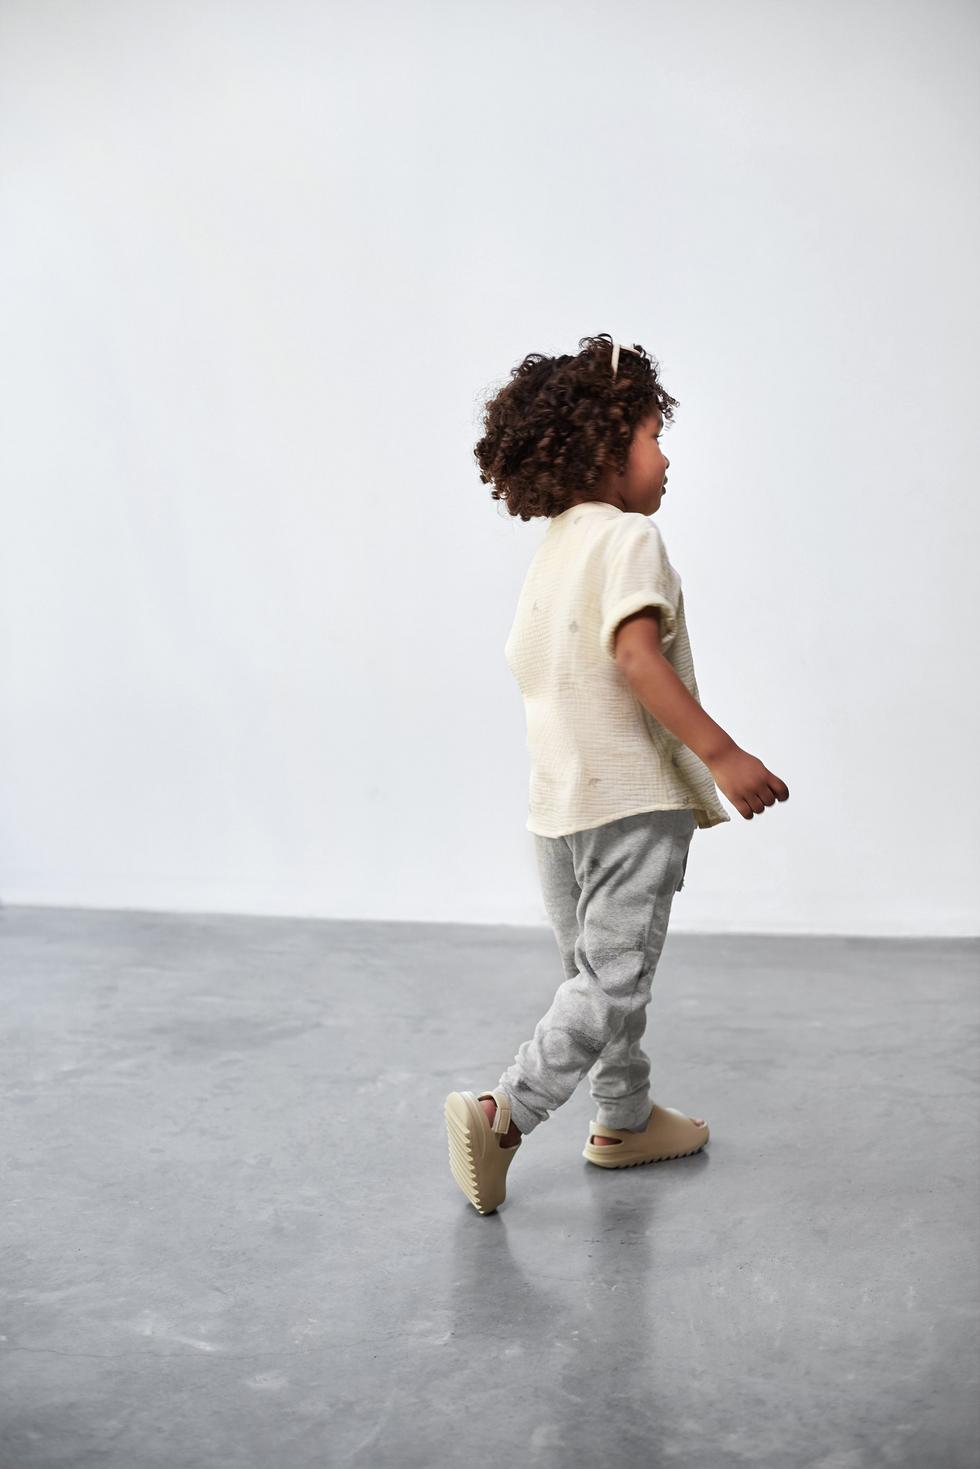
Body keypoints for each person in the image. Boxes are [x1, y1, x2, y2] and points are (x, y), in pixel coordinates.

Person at [444, 333, 789, 1215]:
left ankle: (625, 1117)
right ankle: (505, 1112)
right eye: (651, 437)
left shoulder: (555, 548)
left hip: (556, 810)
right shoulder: (630, 536)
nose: (665, 457)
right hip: (631, 804)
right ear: (605, 449)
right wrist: (721, 754)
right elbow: (636, 657)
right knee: (611, 981)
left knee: (598, 980)